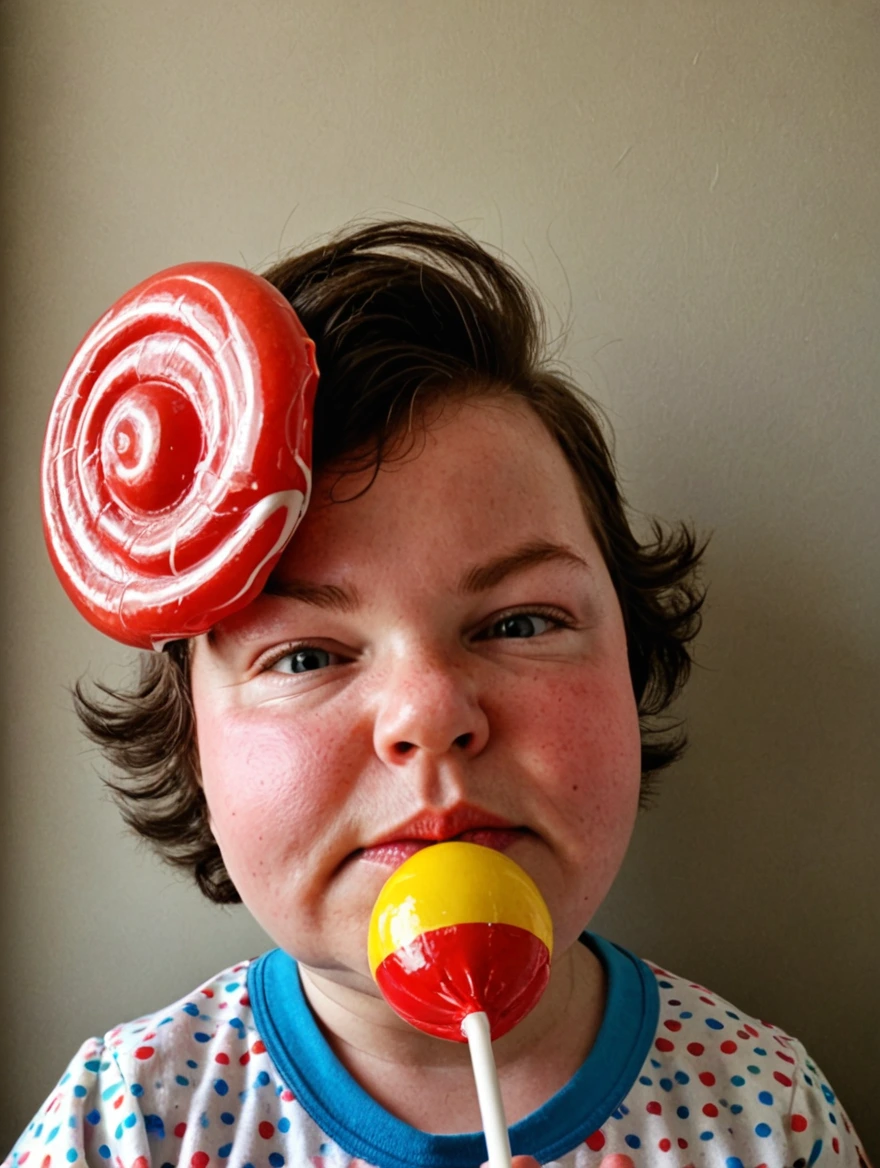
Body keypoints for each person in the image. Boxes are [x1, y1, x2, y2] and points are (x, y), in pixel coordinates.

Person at [5, 222, 868, 1168]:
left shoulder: (767, 1112)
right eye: (303, 658)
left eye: (520, 623)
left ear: (635, 659)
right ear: (191, 749)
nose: (429, 713)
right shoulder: (117, 1126)